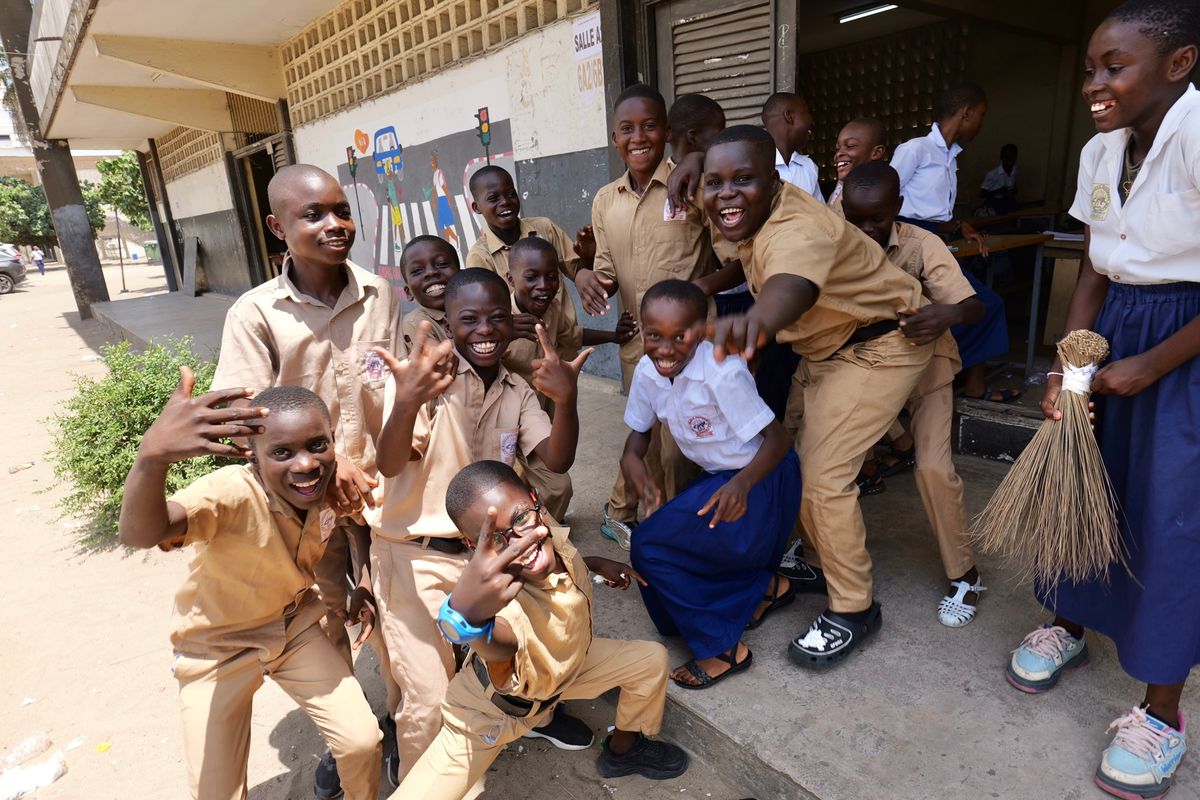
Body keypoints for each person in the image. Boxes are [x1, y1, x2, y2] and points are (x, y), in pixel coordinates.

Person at [1005, 3, 1200, 797]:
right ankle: (1068, 623)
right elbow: (1092, 266)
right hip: (1113, 327)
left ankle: (1161, 712)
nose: (1095, 83)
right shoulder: (1101, 149)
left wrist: (1151, 365)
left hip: (1184, 337)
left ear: (1179, 64)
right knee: (1085, 480)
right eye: (1091, 68)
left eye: (1113, 67)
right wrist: (1068, 365)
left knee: (1169, 514)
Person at [699, 125, 933, 666]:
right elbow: (758, 260)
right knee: (795, 464)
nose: (727, 193)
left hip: (879, 345)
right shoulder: (758, 214)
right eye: (715, 182)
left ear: (774, 181)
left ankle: (854, 607)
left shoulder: (796, 228)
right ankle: (822, 558)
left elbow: (790, 286)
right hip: (828, 348)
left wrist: (755, 322)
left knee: (824, 480)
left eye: (743, 180)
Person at [210, 163, 401, 797]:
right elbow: (240, 418)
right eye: (312, 215)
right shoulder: (256, 313)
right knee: (322, 621)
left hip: (378, 497)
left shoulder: (380, 294)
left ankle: (401, 720)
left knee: (393, 615)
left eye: (341, 210)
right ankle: (348, 735)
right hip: (301, 508)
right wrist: (326, 463)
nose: (334, 225)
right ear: (276, 227)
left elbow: (395, 390)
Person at [366, 268, 596, 786]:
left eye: (497, 317)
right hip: (417, 553)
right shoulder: (427, 383)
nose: (485, 329)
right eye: (468, 319)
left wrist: (567, 400)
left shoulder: (515, 387)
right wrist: (405, 401)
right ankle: (417, 774)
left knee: (512, 656)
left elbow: (555, 460)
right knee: (428, 699)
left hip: (489, 552)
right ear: (445, 321)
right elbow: (389, 461)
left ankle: (532, 718)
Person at [119, 377, 381, 800]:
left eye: (318, 445)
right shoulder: (231, 492)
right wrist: (151, 457)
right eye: (281, 452)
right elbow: (142, 532)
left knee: (360, 741)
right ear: (253, 457)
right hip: (216, 647)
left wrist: (363, 583)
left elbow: (357, 526)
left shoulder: (326, 484)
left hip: (292, 626)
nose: (305, 464)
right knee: (215, 792)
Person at [390, 460, 689, 800]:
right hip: (491, 715)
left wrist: (594, 563)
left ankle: (623, 750)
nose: (521, 542)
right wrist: (469, 623)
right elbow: (498, 645)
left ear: (537, 501)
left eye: (520, 519)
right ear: (476, 549)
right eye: (498, 540)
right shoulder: (504, 605)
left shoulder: (545, 529)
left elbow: (563, 560)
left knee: (649, 661)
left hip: (565, 674)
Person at [622, 280, 800, 688]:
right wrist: (633, 462)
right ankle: (767, 587)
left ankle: (723, 648)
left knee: (650, 545)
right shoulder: (649, 371)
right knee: (668, 601)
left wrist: (741, 485)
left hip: (761, 479)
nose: (665, 349)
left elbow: (778, 441)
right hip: (723, 479)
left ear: (701, 331)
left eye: (680, 336)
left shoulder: (721, 371)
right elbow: (637, 437)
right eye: (654, 336)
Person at [841, 162, 987, 626]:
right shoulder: (832, 243)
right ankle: (816, 554)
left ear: (899, 209)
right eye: (855, 218)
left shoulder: (923, 245)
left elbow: (972, 306)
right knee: (822, 460)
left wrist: (943, 316)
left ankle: (965, 573)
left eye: (877, 220)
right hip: (864, 368)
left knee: (933, 468)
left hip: (926, 366)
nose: (866, 229)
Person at [573, 83, 713, 549]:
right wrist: (593, 280)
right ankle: (632, 517)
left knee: (680, 448)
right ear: (614, 138)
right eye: (627, 129)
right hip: (640, 344)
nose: (639, 137)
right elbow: (609, 268)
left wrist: (697, 291)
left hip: (691, 345)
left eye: (650, 126)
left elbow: (731, 252)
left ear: (667, 131)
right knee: (647, 439)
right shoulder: (605, 199)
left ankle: (672, 531)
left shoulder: (690, 184)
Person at [889, 82, 1019, 405]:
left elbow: (935, 209)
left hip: (936, 238)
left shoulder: (950, 156)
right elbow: (885, 198)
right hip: (911, 241)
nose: (981, 124)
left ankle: (960, 379)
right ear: (966, 113)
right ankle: (939, 379)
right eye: (981, 116)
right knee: (981, 304)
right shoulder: (916, 150)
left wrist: (961, 227)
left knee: (980, 305)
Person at [501, 236, 636, 519]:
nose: (544, 286)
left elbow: (573, 335)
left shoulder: (551, 311)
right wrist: (502, 331)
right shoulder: (498, 319)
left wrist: (614, 337)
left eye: (552, 277)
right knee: (498, 483)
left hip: (535, 418)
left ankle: (543, 529)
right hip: (501, 420)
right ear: (510, 279)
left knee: (558, 487)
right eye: (531, 277)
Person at [466, 164, 593, 330]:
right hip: (521, 351)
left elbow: (577, 271)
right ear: (476, 208)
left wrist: (587, 257)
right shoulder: (480, 256)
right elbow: (486, 316)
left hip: (566, 345)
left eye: (511, 194)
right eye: (493, 198)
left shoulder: (544, 228)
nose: (505, 202)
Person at [761, 92, 825, 201]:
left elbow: (819, 214)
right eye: (806, 112)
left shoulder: (808, 167)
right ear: (789, 116)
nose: (810, 120)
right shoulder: (757, 165)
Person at [400, 234, 458, 347]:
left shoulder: (478, 308)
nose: (431, 272)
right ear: (409, 292)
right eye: (417, 270)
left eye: (442, 264)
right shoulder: (416, 323)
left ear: (461, 274)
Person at [827, 117, 888, 214]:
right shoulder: (841, 184)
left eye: (850, 146)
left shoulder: (877, 192)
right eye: (837, 148)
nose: (838, 154)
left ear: (876, 153)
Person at [979, 143, 1019, 215]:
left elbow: (1014, 187)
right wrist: (999, 191)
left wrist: (1013, 191)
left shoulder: (1014, 169)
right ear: (1002, 157)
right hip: (994, 202)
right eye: (1007, 156)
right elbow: (982, 194)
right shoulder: (993, 174)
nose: (1010, 159)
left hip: (1008, 201)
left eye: (1012, 156)